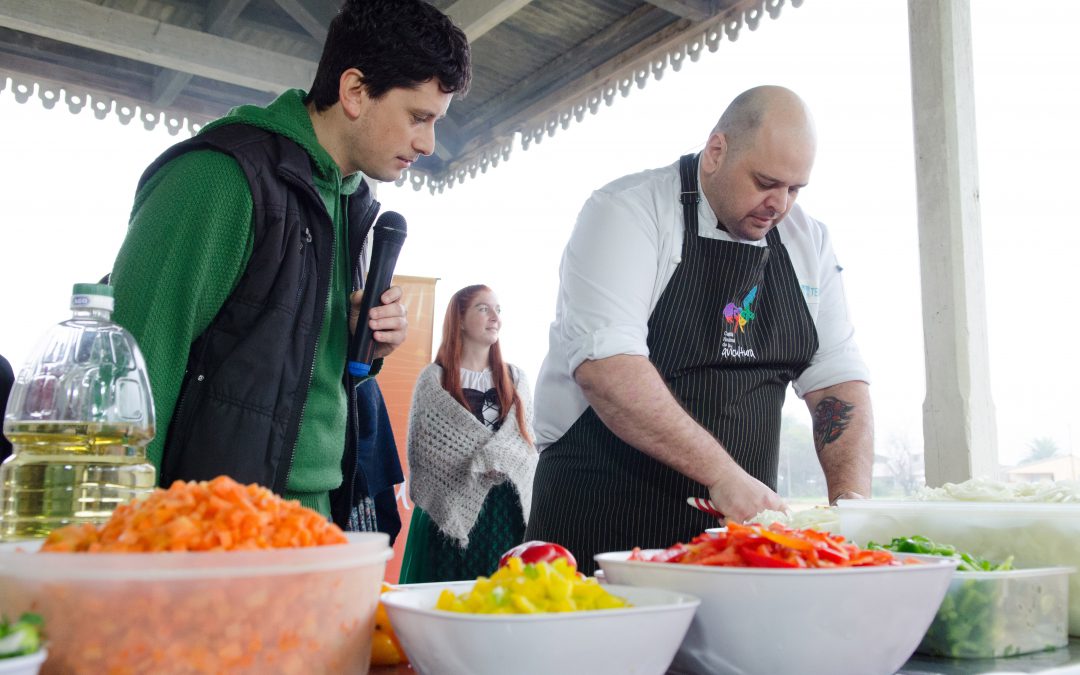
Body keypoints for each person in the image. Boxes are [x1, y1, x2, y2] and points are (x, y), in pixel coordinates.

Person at [108, 0, 471, 539]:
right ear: (354, 91)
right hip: (214, 535)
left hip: (318, 523)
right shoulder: (217, 178)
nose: (427, 143)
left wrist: (360, 349)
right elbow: (132, 374)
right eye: (418, 117)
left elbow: (286, 367)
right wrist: (118, 557)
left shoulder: (349, 202)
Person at [526, 85, 874, 574]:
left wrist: (852, 507)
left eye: (795, 189)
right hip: (602, 521)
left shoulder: (807, 242)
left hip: (738, 542)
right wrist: (723, 475)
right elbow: (608, 368)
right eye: (765, 182)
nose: (780, 205)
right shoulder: (627, 212)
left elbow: (837, 380)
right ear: (716, 152)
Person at [399, 285, 537, 582]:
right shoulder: (434, 379)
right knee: (446, 599)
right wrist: (479, 461)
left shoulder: (516, 378)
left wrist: (494, 458)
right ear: (459, 319)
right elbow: (424, 453)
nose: (495, 317)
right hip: (450, 509)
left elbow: (525, 447)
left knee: (500, 598)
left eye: (498, 310)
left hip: (505, 511)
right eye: (483, 308)